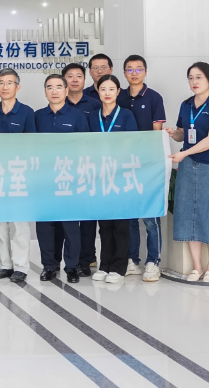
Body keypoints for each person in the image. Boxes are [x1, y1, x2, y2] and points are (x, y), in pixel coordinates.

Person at [167, 62, 209, 283]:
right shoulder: (186, 105)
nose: (194, 82)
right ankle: (197, 266)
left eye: (199, 77)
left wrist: (184, 153)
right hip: (187, 166)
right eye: (191, 78)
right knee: (188, 214)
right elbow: (183, 134)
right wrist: (173, 133)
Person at [34, 74, 89, 284]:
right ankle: (49, 265)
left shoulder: (77, 116)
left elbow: (85, 147)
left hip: (69, 178)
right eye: (50, 87)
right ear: (45, 92)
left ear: (66, 91)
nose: (54, 91)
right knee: (45, 226)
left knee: (70, 226)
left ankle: (72, 267)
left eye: (59, 87)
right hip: (44, 179)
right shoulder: (38, 116)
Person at [117, 54, 167, 282]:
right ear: (124, 73)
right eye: (130, 69)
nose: (134, 73)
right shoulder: (119, 96)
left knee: (149, 216)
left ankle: (153, 262)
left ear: (145, 72)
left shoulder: (154, 97)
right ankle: (132, 260)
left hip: (147, 163)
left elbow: (156, 133)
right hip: (124, 163)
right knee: (129, 216)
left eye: (139, 69)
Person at [89, 75, 137, 284]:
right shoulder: (92, 116)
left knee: (120, 224)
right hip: (99, 176)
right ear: (98, 92)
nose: (107, 93)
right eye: (103, 89)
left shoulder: (126, 115)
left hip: (120, 175)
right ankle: (104, 265)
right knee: (104, 224)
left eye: (111, 89)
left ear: (118, 91)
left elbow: (131, 143)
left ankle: (119, 267)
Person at [0, 68, 35, 283]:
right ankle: (5, 265)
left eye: (9, 83)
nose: (5, 87)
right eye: (1, 83)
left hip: (19, 174)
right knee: (0, 223)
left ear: (18, 86)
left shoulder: (26, 112)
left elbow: (31, 145)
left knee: (19, 224)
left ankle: (21, 266)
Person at [63, 62, 101, 276]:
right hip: (64, 170)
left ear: (84, 80)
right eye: (70, 76)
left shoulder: (95, 104)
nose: (75, 79)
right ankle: (70, 260)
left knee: (87, 218)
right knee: (67, 218)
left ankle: (87, 259)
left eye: (79, 75)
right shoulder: (58, 103)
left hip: (88, 167)